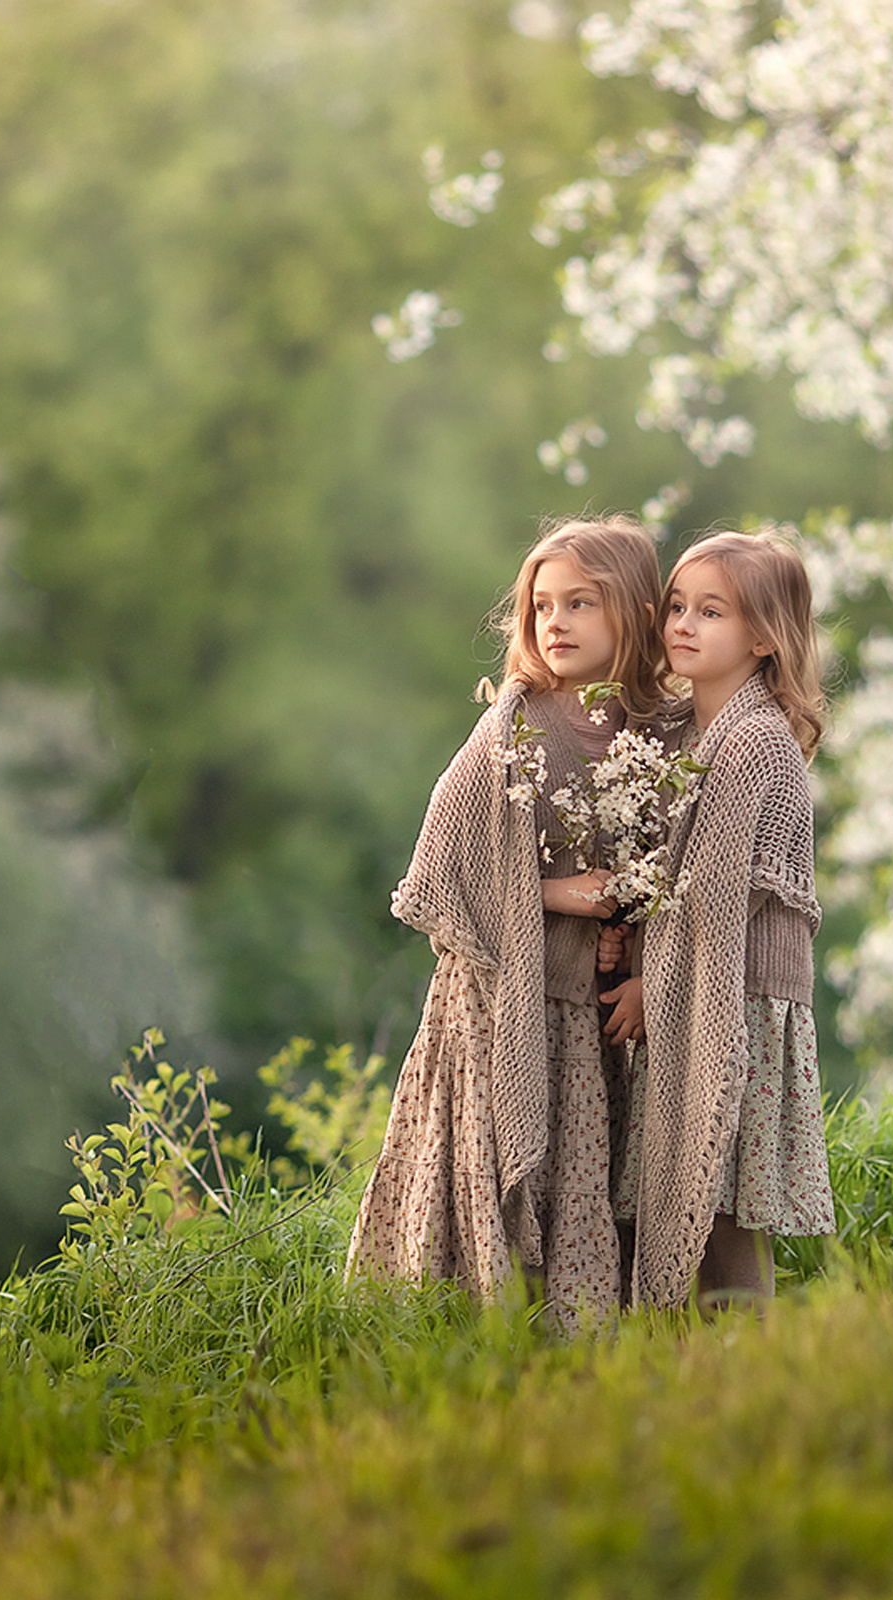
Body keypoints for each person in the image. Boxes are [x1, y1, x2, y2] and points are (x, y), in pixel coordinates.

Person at [345, 513, 671, 1327]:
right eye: (540, 607)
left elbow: (665, 866)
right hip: (496, 1000)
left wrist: (628, 935)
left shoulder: (652, 735)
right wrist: (562, 896)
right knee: (486, 1158)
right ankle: (455, 1321)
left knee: (578, 1164)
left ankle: (572, 1330)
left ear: (631, 612)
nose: (553, 623)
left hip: (585, 1013)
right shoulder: (516, 728)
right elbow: (439, 869)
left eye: (580, 604)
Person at [612, 529, 836, 1309]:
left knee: (720, 1197)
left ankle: (744, 1370)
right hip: (695, 985)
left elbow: (708, 902)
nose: (682, 624)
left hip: (732, 997)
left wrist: (646, 981)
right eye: (677, 606)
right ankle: (681, 1372)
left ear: (765, 638)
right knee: (677, 1184)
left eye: (711, 612)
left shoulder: (754, 743)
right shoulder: (679, 732)